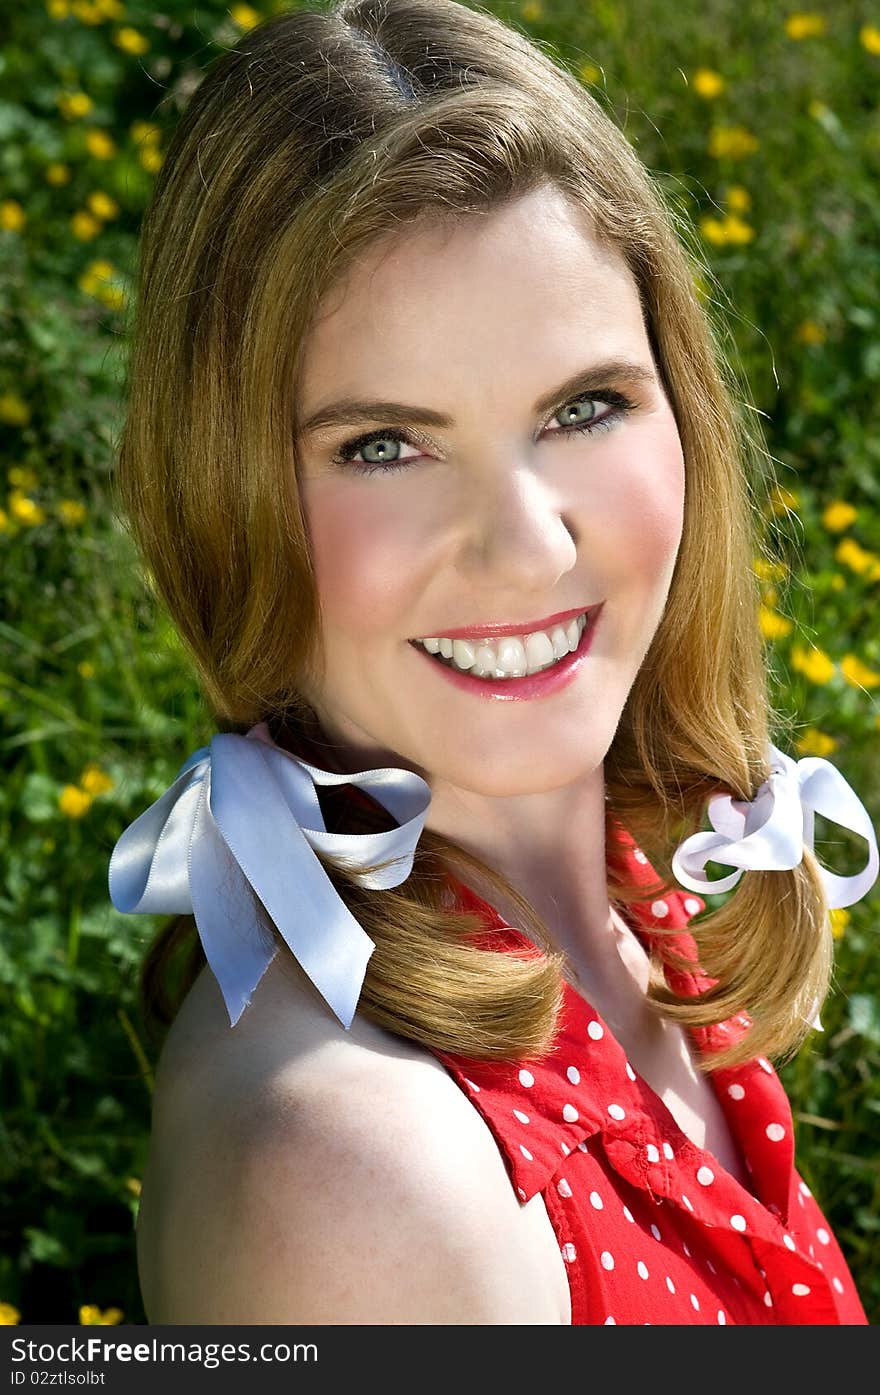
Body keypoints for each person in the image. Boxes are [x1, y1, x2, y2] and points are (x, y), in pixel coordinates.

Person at [108, 0, 878, 1324]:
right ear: (219, 498)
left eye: (582, 408)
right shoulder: (355, 1176)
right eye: (384, 446)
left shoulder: (643, 908)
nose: (526, 549)